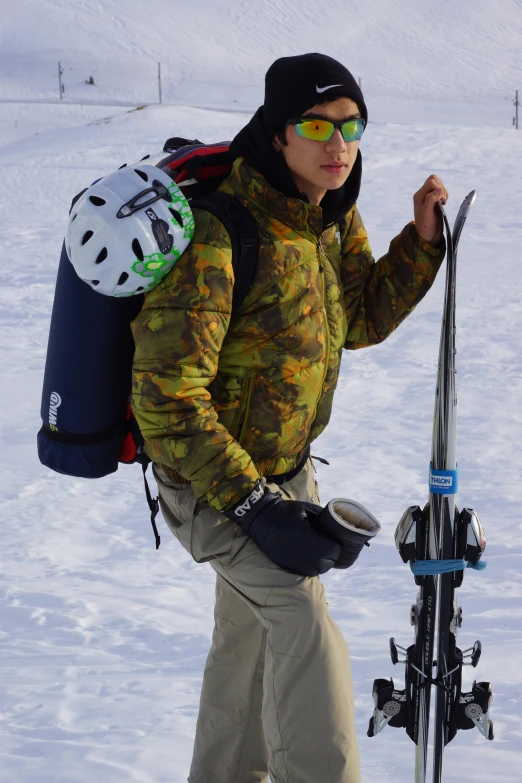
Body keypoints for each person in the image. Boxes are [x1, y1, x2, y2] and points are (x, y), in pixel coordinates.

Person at [131, 52, 447, 783]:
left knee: (248, 636)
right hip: (207, 484)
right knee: (303, 625)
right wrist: (252, 506)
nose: (339, 144)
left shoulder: (329, 218)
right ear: (278, 134)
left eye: (352, 125)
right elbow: (166, 398)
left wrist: (420, 243)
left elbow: (359, 316)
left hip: (285, 475)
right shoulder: (217, 235)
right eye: (317, 125)